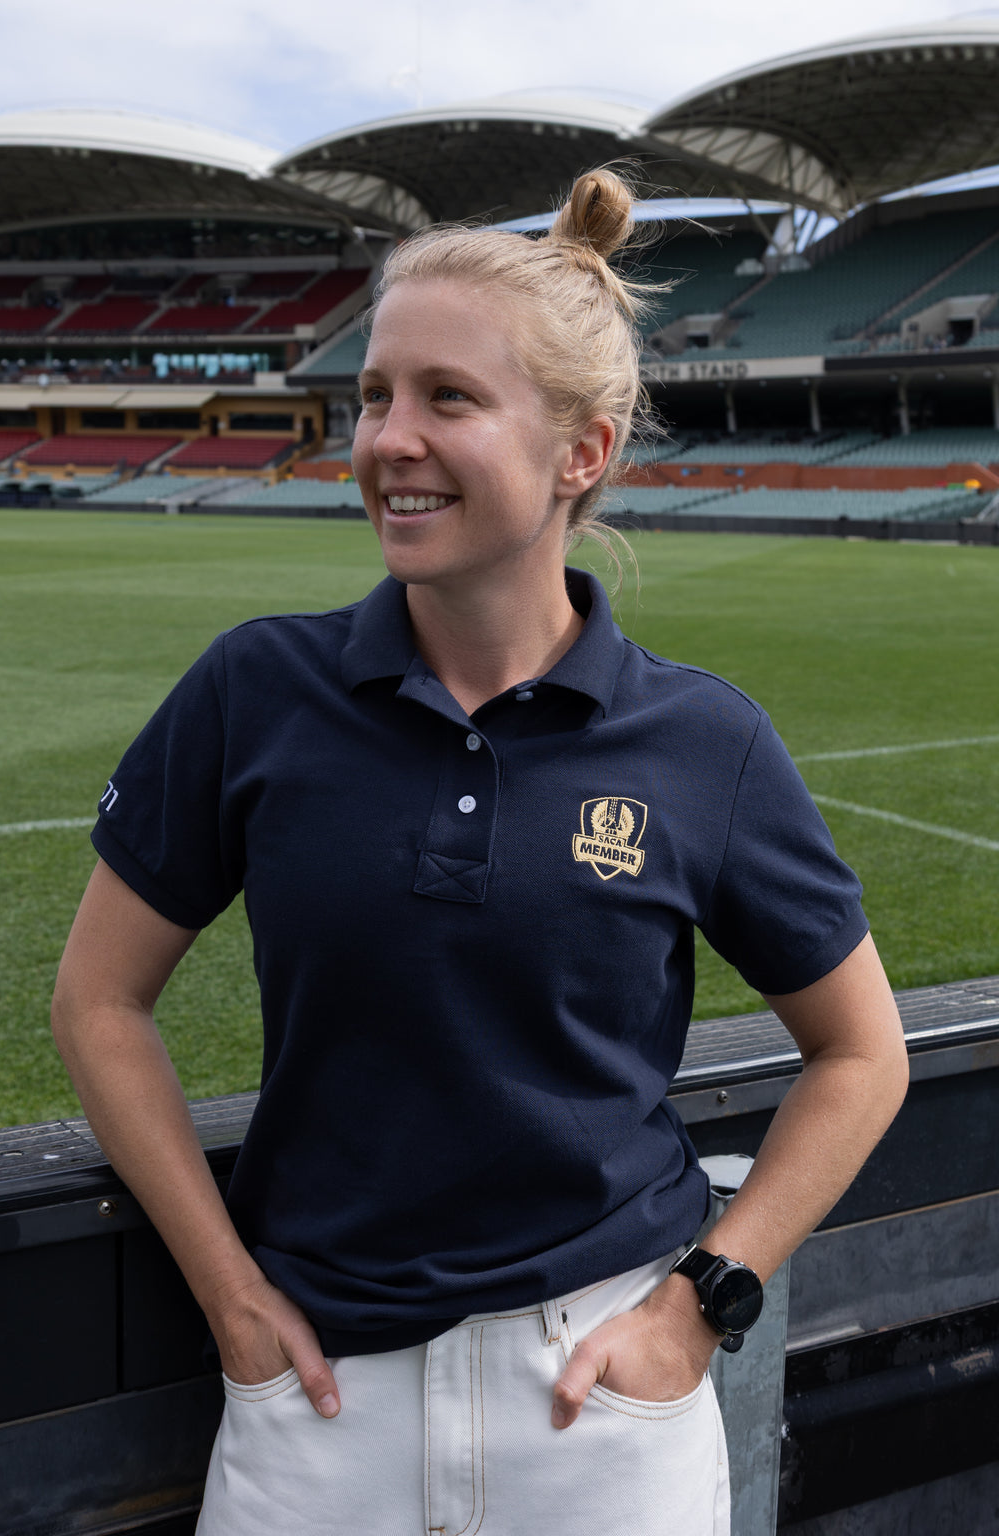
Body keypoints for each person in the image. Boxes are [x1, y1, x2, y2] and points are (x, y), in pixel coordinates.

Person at [52, 168, 909, 1535]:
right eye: (376, 395)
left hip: (600, 1397)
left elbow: (864, 1052)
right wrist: (228, 1295)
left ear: (584, 454)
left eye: (448, 399)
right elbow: (99, 1000)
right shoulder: (255, 690)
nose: (390, 438)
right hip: (316, 1398)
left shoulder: (705, 742)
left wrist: (700, 1308)